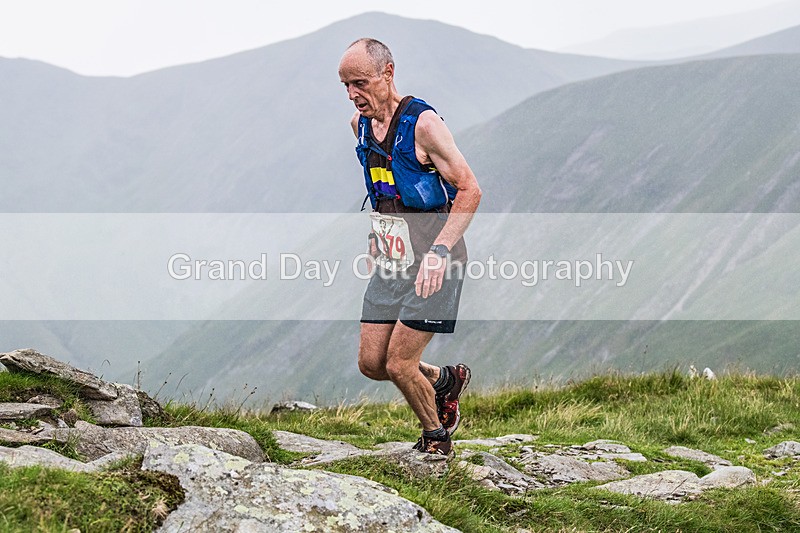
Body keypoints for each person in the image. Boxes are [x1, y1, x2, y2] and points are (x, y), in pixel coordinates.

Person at [338, 38, 482, 455]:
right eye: (345, 85)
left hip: (437, 259)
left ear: (388, 73)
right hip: (392, 257)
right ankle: (444, 381)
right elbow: (383, 186)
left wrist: (439, 252)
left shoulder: (424, 125)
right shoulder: (359, 126)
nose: (352, 94)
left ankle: (437, 440)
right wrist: (376, 234)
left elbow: (470, 190)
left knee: (399, 363)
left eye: (360, 82)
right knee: (372, 363)